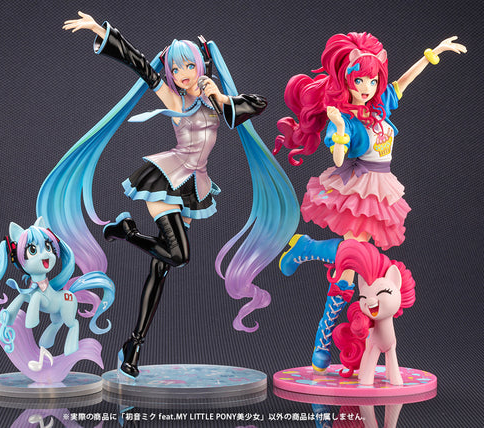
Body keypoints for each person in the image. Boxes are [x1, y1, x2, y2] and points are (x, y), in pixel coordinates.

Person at [37, 12, 299, 378]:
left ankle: (133, 346)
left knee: (160, 270)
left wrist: (218, 94)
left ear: (201, 66)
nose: (181, 74)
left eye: (188, 66)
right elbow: (142, 66)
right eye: (176, 69)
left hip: (193, 187)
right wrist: (102, 32)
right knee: (179, 255)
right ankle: (127, 232)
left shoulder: (215, 102)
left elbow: (258, 103)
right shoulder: (173, 99)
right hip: (165, 179)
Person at [274, 32, 465, 371]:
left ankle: (308, 255)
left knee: (351, 265)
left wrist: (432, 54)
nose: (366, 87)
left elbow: (403, 82)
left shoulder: (381, 104)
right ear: (345, 81)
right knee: (351, 260)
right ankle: (320, 334)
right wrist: (338, 127)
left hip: (381, 187)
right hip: (357, 188)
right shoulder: (345, 119)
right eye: (358, 80)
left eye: (372, 80)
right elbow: (337, 159)